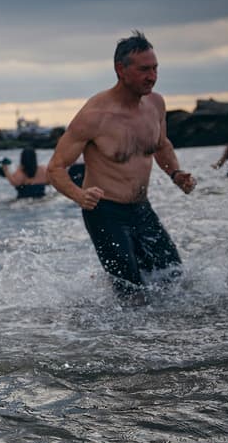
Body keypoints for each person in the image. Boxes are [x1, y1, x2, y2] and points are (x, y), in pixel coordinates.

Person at [47, 30, 196, 296]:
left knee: (174, 280)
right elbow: (55, 168)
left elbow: (161, 144)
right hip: (106, 213)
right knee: (130, 292)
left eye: (155, 68)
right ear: (121, 69)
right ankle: (120, 338)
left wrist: (175, 173)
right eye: (144, 70)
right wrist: (80, 196)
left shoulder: (156, 104)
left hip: (142, 209)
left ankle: (163, 335)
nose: (152, 76)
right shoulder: (95, 115)